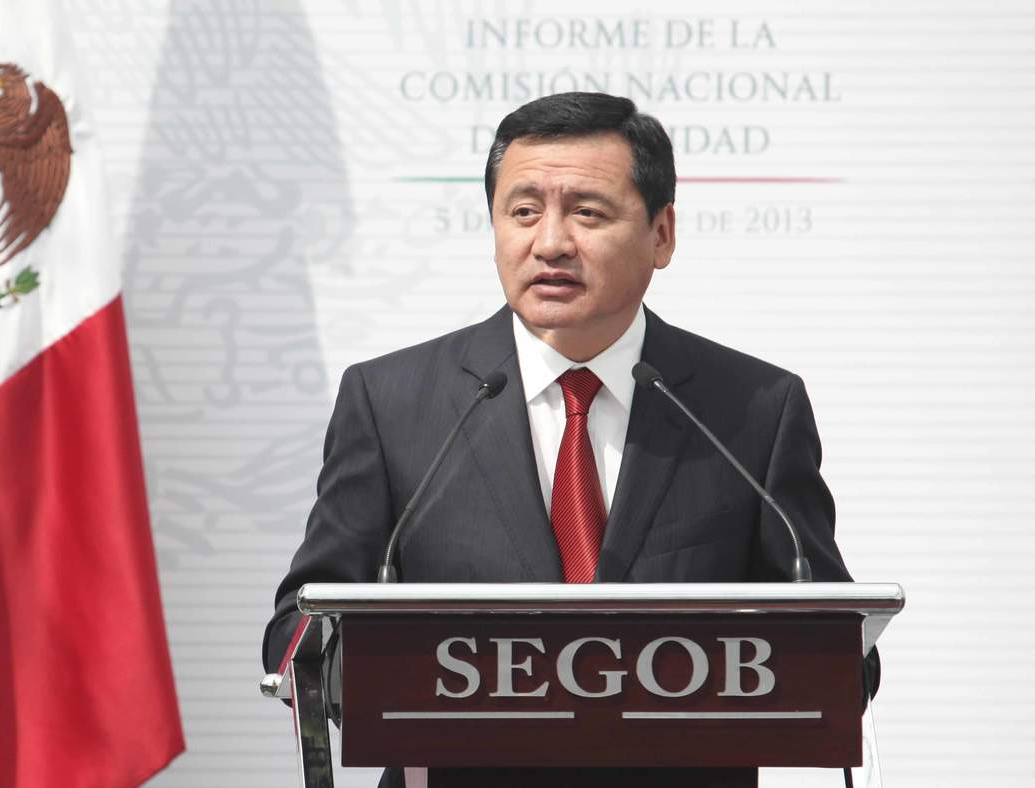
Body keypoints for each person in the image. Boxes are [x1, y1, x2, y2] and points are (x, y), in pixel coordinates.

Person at [263, 92, 875, 788]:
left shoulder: (752, 409)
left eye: (587, 213)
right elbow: (297, 633)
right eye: (523, 212)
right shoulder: (393, 403)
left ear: (662, 234)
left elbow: (841, 647)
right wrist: (406, 677)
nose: (549, 242)